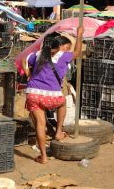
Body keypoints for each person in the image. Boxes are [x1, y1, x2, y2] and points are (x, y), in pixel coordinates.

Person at [25, 26, 84, 164]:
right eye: (67, 47)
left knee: (40, 124)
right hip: (53, 96)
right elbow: (78, 52)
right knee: (62, 103)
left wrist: (29, 75)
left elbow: (25, 61)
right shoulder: (63, 56)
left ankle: (43, 157)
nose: (68, 50)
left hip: (33, 94)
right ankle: (58, 132)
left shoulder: (37, 54)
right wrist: (80, 35)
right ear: (59, 46)